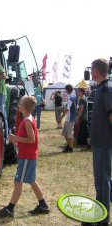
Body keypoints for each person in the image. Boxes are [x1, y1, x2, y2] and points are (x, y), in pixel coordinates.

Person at [0, 96, 50, 218]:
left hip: (27, 156)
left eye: (20, 103)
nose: (18, 104)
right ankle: (43, 205)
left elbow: (31, 139)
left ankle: (10, 209)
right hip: (28, 155)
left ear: (24, 107)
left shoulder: (28, 121)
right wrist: (17, 141)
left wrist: (16, 138)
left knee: (18, 181)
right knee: (31, 180)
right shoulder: (28, 119)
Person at [82, 59, 112, 226]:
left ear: (96, 71)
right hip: (99, 142)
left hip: (104, 143)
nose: (90, 72)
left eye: (92, 69)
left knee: (103, 181)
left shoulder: (106, 90)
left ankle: (102, 220)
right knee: (99, 181)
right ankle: (98, 215)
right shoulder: (100, 88)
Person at [57, 84, 77, 153]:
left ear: (68, 90)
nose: (65, 91)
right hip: (70, 118)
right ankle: (68, 146)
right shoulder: (74, 95)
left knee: (69, 134)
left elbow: (67, 109)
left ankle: (70, 148)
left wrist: (61, 118)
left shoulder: (71, 98)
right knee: (65, 134)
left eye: (66, 90)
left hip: (70, 118)